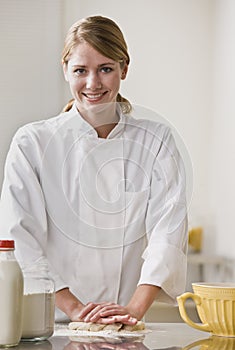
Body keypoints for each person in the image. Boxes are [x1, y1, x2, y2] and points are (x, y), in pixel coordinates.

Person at [0, 15, 188, 324]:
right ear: (65, 71)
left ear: (124, 69)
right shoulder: (32, 142)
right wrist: (75, 309)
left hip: (125, 323)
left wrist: (134, 309)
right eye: (80, 71)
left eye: (105, 69)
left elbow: (168, 232)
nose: (93, 83)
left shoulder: (156, 141)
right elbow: (20, 237)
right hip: (49, 323)